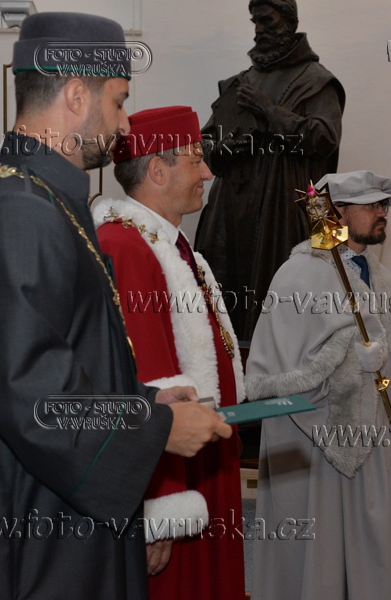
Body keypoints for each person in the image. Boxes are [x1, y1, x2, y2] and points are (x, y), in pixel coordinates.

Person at [0, 14, 232, 600]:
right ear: (77, 95)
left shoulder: (48, 202)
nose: (124, 124)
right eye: (119, 102)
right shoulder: (15, 214)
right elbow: (37, 402)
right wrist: (156, 429)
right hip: (37, 546)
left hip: (68, 526)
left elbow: (73, 364)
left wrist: (145, 401)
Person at [246, 170, 391, 599]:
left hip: (377, 455)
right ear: (335, 212)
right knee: (321, 568)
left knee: (377, 564)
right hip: (318, 456)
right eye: (372, 205)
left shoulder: (384, 280)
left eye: (384, 205)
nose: (382, 212)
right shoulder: (297, 277)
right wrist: (349, 364)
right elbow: (272, 381)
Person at [92, 105, 245, 599]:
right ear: (157, 170)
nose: (208, 173)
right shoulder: (126, 247)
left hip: (203, 465)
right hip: (178, 477)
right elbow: (148, 383)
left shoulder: (172, 248)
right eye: (196, 160)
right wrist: (162, 507)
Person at [194, 0, 345, 342]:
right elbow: (204, 144)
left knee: (287, 320)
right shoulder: (241, 82)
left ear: (289, 22)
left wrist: (270, 112)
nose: (259, 29)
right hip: (231, 214)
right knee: (223, 320)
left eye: (266, 20)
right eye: (255, 22)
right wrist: (225, 147)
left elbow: (324, 139)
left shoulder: (318, 81)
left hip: (285, 213)